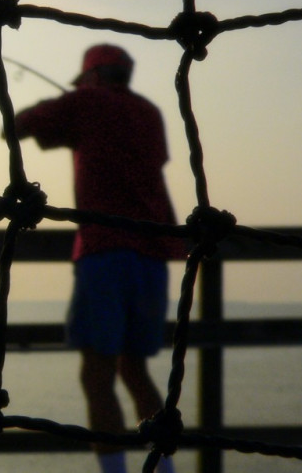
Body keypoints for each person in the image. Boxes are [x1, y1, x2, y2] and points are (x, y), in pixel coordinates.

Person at [13, 44, 182, 473]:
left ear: (92, 76)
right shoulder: (150, 112)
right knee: (136, 369)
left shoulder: (84, 102)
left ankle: (114, 472)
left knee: (96, 373)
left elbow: (17, 126)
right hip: (152, 252)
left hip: (104, 251)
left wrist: (56, 106)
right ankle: (163, 471)